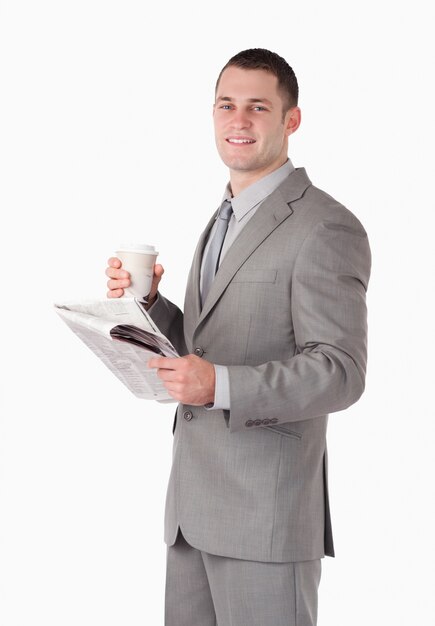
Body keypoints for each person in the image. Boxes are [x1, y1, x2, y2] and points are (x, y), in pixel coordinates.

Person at [106, 48, 371, 626]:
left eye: (258, 106)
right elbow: (212, 344)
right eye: (227, 105)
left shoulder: (325, 226)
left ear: (290, 121)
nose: (239, 120)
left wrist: (220, 385)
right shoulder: (225, 216)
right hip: (191, 513)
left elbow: (340, 371)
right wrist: (149, 306)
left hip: (265, 520)